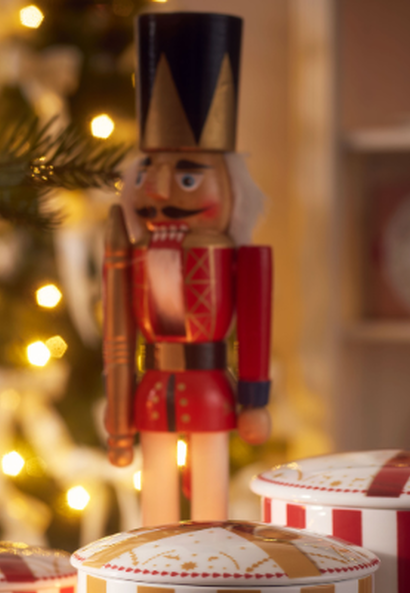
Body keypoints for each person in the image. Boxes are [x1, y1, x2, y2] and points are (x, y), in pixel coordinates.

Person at [103, 11, 273, 526]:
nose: (158, 191)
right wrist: (119, 410)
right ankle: (157, 556)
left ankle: (210, 553)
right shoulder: (132, 251)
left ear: (231, 186)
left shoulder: (241, 257)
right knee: (156, 498)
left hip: (210, 387)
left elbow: (256, 328)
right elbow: (119, 332)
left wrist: (254, 399)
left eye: (188, 178)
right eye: (148, 173)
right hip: (154, 388)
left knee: (210, 498)